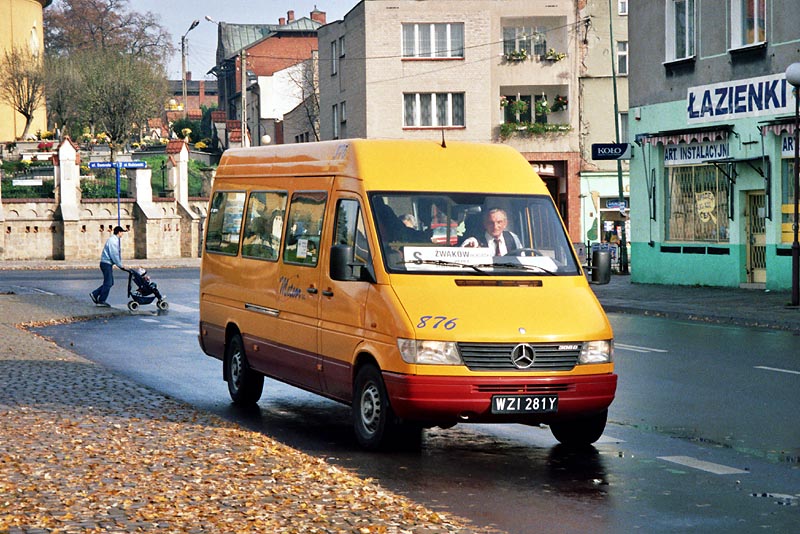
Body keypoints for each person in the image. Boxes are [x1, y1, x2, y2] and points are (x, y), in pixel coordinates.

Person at [90, 226, 126, 307]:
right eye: (122, 232)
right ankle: (101, 300)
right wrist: (120, 265)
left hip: (106, 263)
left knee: (110, 282)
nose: (122, 234)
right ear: (119, 232)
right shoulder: (113, 241)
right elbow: (114, 254)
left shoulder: (113, 240)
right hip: (106, 263)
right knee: (108, 283)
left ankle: (95, 294)